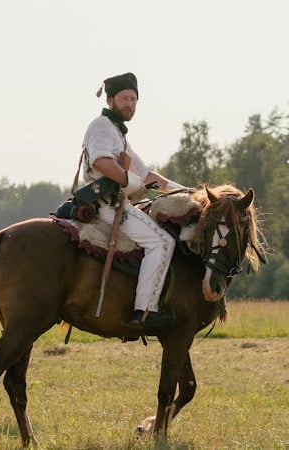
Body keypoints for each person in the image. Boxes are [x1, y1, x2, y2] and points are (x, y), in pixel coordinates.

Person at [81, 72, 185, 330]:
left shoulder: (119, 135)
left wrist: (184, 191)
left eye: (133, 99)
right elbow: (100, 161)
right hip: (108, 206)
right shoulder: (102, 126)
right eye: (124, 98)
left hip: (114, 203)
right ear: (110, 100)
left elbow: (147, 176)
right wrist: (127, 179)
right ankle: (145, 312)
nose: (130, 104)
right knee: (162, 242)